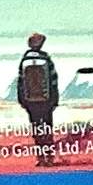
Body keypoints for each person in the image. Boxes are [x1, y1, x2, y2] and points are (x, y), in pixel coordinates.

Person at [15, 33, 61, 161]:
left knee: (36, 127)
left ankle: (40, 157)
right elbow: (53, 80)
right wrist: (55, 99)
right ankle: (49, 156)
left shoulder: (24, 60)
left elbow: (20, 82)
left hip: (30, 101)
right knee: (47, 127)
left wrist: (22, 99)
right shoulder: (46, 58)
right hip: (46, 101)